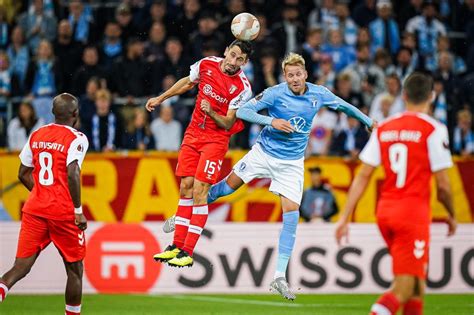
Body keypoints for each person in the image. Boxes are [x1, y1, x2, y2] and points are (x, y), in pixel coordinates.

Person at [164, 53, 375, 300]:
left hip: (291, 163)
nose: (295, 79)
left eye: (298, 74)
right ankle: (181, 217)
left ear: (306, 74)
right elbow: (243, 112)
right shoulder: (275, 92)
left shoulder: (319, 93)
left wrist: (368, 121)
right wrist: (272, 121)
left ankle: (278, 277)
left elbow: (343, 105)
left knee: (292, 214)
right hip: (262, 154)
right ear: (285, 77)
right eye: (290, 75)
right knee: (225, 189)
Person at [335, 72, 457, 315]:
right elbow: (443, 186)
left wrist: (345, 217)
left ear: (403, 95)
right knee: (402, 288)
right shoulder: (434, 129)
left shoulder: (385, 128)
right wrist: (452, 214)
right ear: (432, 97)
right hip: (412, 215)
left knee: (416, 286)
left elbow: (363, 176)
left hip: (386, 212)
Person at [147, 40, 253, 268]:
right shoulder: (206, 64)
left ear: (245, 63)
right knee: (185, 185)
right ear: (225, 50)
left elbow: (227, 123)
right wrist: (160, 98)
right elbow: (187, 83)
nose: (233, 62)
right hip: (193, 133)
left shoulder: (243, 88)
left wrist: (211, 112)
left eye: (240, 60)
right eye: (232, 55)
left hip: (215, 140)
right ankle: (175, 246)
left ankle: (187, 250)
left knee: (200, 190)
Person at [0, 93, 89, 315]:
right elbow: (73, 172)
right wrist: (78, 210)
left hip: (35, 210)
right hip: (63, 213)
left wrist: (42, 193)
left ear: (53, 113)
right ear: (75, 114)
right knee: (75, 270)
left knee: (20, 268)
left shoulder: (37, 134)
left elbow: (23, 173)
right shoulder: (77, 138)